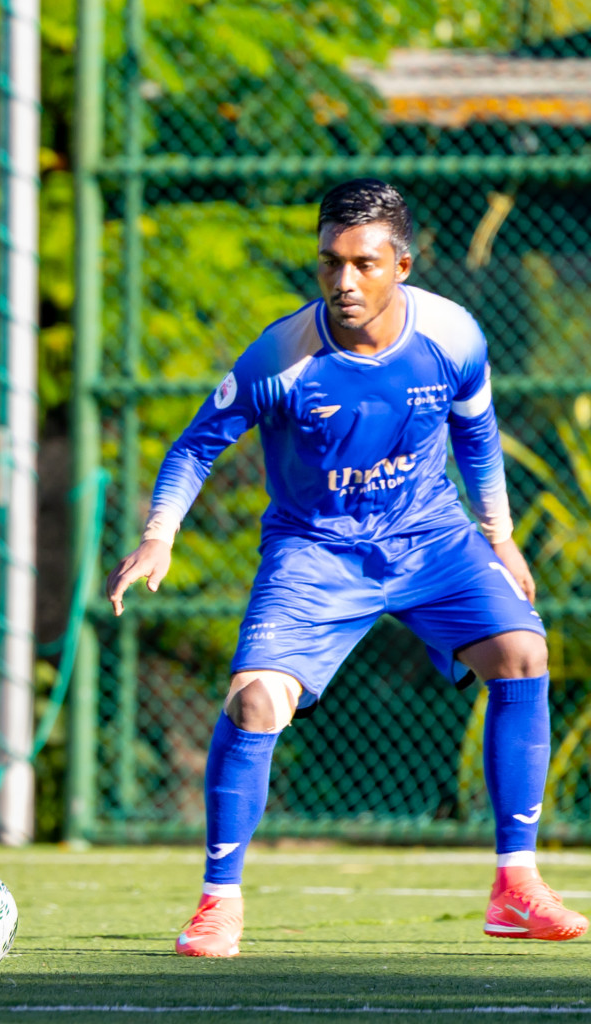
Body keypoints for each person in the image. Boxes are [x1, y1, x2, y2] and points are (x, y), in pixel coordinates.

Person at [107, 178, 588, 958]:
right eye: (330, 262)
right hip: (315, 550)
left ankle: (516, 887)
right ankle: (218, 903)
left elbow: (477, 432)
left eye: (363, 263)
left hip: (431, 536)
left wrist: (498, 534)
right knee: (257, 702)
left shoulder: (455, 336)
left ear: (402, 263)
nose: (343, 281)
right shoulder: (282, 357)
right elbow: (197, 445)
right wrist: (160, 535)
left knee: (523, 652)